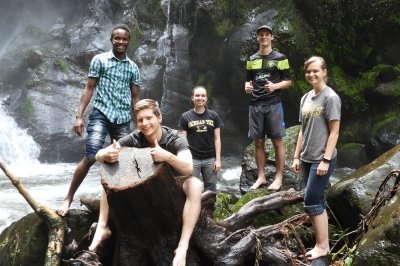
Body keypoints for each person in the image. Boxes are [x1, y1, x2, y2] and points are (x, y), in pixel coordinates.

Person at [89, 99, 204, 266]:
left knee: (196, 185)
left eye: (149, 118)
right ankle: (102, 227)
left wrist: (167, 156)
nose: (145, 123)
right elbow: (100, 154)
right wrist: (106, 155)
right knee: (108, 170)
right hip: (147, 190)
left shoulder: (175, 138)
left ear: (159, 118)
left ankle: (182, 247)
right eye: (140, 120)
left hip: (175, 185)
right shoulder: (135, 137)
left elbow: (188, 168)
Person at [57, 24, 141, 216]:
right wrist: (79, 116)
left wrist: (140, 123)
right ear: (111, 40)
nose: (120, 41)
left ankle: (118, 203)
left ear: (128, 41)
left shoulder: (133, 67)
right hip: (101, 115)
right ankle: (68, 197)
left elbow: (135, 97)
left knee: (124, 159)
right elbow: (89, 89)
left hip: (123, 118)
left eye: (124, 39)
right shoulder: (99, 60)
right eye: (117, 38)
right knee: (90, 157)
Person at [292, 56, 341, 261]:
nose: (311, 74)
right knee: (318, 200)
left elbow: (335, 132)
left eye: (315, 71)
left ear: (324, 72)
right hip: (306, 158)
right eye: (308, 72)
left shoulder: (330, 98)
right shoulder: (305, 98)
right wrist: (296, 156)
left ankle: (321, 246)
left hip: (322, 158)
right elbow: (302, 130)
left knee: (311, 201)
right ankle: (324, 244)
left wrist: (326, 160)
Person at [244, 25, 292, 191]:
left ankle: (279, 177)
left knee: (277, 141)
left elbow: (288, 81)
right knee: (258, 141)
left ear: (272, 37)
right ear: (258, 38)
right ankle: (261, 177)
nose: (264, 37)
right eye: (261, 35)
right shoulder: (251, 59)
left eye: (267, 34)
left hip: (273, 104)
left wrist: (275, 86)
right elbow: (248, 80)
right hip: (255, 104)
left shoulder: (280, 58)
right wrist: (247, 87)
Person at [178, 86, 224, 192]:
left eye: (203, 95)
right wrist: (184, 160)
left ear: (206, 98)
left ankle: (208, 208)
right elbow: (182, 141)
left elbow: (217, 139)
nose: (200, 98)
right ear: (192, 98)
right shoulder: (185, 117)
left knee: (211, 189)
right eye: (197, 95)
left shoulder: (214, 116)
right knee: (191, 188)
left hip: (210, 159)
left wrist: (218, 160)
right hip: (192, 159)